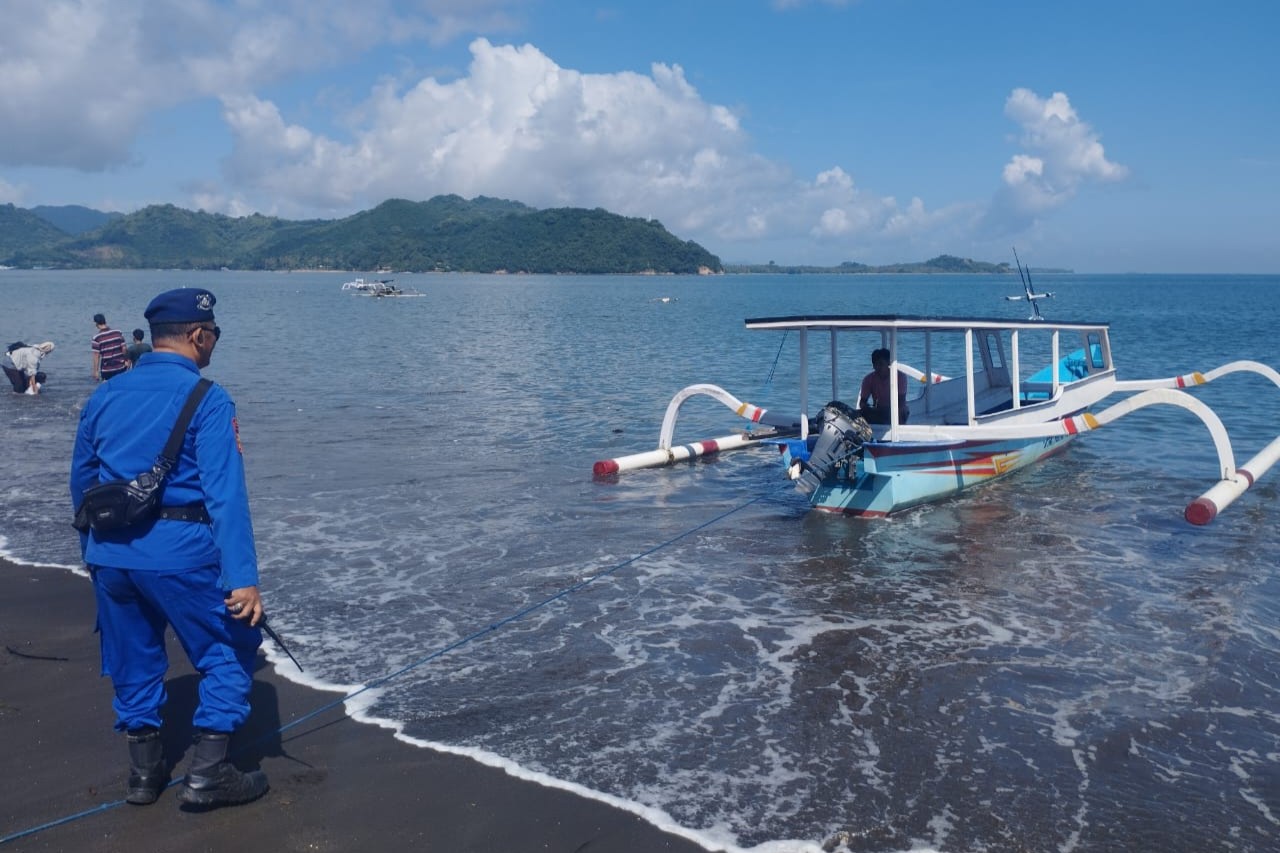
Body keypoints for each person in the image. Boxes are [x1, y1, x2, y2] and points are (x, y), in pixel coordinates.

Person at [70, 288, 269, 810]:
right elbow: (226, 496)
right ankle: (209, 773)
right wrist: (243, 579)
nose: (216, 342)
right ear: (199, 335)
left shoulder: (105, 395)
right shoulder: (209, 398)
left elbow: (82, 484)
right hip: (182, 554)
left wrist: (92, 551)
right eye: (215, 333)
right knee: (230, 649)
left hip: (112, 556)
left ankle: (144, 775)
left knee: (132, 658)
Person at [857, 347, 909, 424]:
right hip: (878, 411)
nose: (878, 367)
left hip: (897, 409)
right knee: (857, 415)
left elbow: (901, 401)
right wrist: (866, 408)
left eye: (881, 364)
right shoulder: (868, 379)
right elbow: (862, 402)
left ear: (888, 363)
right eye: (875, 364)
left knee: (902, 411)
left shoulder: (900, 377)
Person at [91, 313, 130, 381]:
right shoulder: (118, 333)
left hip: (107, 369)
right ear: (105, 321)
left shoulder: (96, 338)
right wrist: (126, 360)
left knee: (108, 387)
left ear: (96, 324)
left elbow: (96, 356)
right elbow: (124, 348)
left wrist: (96, 371)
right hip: (120, 367)